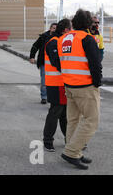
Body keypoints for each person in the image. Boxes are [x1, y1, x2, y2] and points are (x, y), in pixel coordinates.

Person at [57, 9, 102, 170]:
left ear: (74, 23)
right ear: (89, 23)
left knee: (73, 120)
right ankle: (71, 151)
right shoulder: (87, 39)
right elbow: (95, 64)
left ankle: (74, 152)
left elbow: (58, 61)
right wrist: (97, 83)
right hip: (85, 86)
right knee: (91, 120)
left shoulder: (63, 38)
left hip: (69, 85)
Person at [42, 19, 71, 152]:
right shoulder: (54, 42)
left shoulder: (59, 41)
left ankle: (69, 140)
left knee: (64, 113)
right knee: (55, 111)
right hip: (56, 83)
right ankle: (48, 141)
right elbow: (57, 62)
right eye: (70, 29)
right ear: (65, 29)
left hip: (62, 82)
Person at [30, 23, 58, 104]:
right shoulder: (43, 37)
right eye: (53, 28)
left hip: (54, 63)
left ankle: (53, 97)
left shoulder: (59, 38)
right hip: (44, 63)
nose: (54, 30)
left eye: (56, 28)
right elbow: (35, 46)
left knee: (54, 82)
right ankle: (44, 97)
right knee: (44, 81)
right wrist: (32, 57)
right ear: (50, 28)